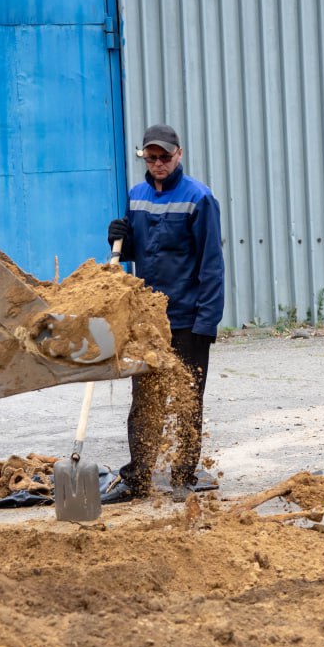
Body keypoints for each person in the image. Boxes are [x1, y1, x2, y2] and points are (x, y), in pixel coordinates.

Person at [101, 124, 225, 503]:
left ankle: (184, 475)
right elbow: (139, 253)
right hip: (149, 318)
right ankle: (138, 477)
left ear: (179, 154)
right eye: (151, 157)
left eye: (164, 157)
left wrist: (208, 322)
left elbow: (212, 265)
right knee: (145, 399)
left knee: (187, 398)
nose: (158, 163)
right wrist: (118, 237)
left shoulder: (199, 199)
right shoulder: (136, 196)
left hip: (187, 317)